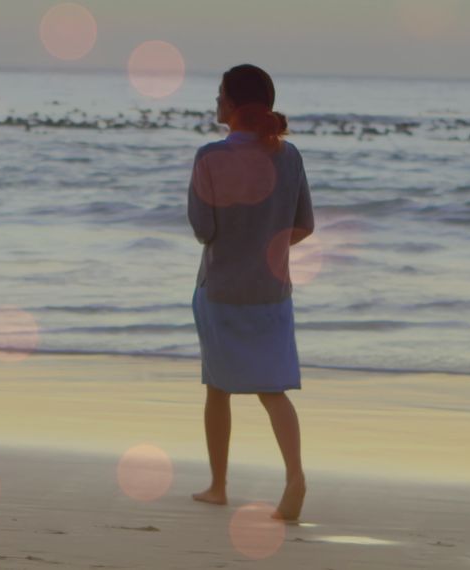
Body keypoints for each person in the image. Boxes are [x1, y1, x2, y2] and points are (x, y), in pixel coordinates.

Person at [187, 64, 314, 521]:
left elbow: (204, 230)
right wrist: (268, 246)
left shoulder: (209, 157)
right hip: (272, 290)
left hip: (220, 288)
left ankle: (218, 486)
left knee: (217, 387)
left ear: (234, 105)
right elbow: (305, 225)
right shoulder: (290, 155)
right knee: (273, 390)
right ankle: (295, 478)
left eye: (219, 95)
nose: (215, 101)